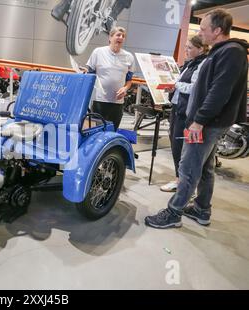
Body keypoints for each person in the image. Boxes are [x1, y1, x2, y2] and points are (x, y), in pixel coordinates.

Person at [145, 9, 248, 229]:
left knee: (188, 167)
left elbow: (219, 92)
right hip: (210, 121)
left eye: (203, 28)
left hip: (208, 123)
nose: (200, 33)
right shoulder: (222, 51)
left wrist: (198, 121)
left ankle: (173, 213)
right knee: (205, 167)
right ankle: (202, 209)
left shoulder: (231, 52)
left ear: (217, 30)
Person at [160, 36, 209, 192]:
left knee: (183, 148)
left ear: (200, 49)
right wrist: (173, 88)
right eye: (186, 47)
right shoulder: (189, 64)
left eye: (189, 47)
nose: (186, 50)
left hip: (188, 113)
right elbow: (182, 86)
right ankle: (179, 180)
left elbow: (195, 89)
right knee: (176, 147)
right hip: (178, 108)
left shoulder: (201, 65)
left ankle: (185, 185)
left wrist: (176, 85)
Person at [82, 26, 135, 131]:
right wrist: (85, 73)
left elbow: (129, 81)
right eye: (118, 35)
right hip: (99, 100)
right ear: (110, 38)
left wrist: (125, 89)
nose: (120, 37)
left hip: (117, 103)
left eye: (123, 36)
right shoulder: (98, 52)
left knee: (112, 131)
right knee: (96, 131)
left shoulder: (129, 57)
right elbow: (91, 74)